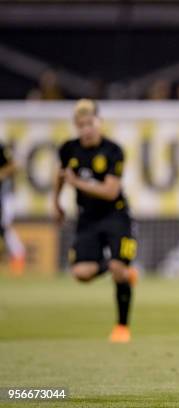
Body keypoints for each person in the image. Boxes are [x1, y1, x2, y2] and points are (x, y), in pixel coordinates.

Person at [54, 99, 137, 343]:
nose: (86, 129)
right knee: (81, 273)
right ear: (75, 126)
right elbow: (60, 175)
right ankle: (115, 266)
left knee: (119, 272)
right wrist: (56, 202)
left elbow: (110, 191)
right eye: (81, 125)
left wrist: (76, 182)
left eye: (89, 123)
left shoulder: (113, 151)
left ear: (98, 122)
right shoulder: (68, 149)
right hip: (87, 217)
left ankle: (122, 328)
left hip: (116, 215)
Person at [0, 144, 26, 275]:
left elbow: (15, 165)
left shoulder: (1, 147)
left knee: (4, 227)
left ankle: (18, 256)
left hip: (4, 196)